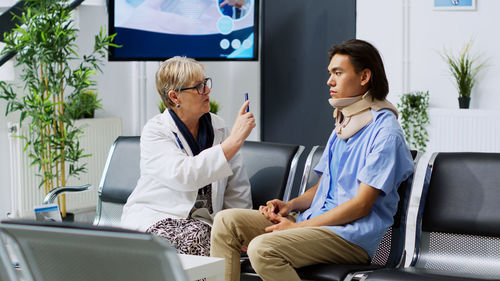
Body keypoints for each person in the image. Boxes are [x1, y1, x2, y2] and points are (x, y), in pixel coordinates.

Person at [210, 39, 414, 281]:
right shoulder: (344, 123)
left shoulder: (386, 134)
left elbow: (361, 205)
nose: (329, 81)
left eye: (338, 73)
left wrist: (296, 228)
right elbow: (326, 185)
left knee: (263, 248)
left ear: (364, 76)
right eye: (330, 73)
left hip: (349, 238)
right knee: (225, 222)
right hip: (314, 223)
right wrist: (290, 206)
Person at [121, 56, 255, 256]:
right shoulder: (156, 131)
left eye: (206, 83)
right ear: (175, 97)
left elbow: (236, 190)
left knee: (209, 238)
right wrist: (234, 141)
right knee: (197, 240)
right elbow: (184, 176)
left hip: (203, 224)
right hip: (158, 216)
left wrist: (243, 229)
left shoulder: (219, 127)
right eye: (199, 87)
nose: (207, 91)